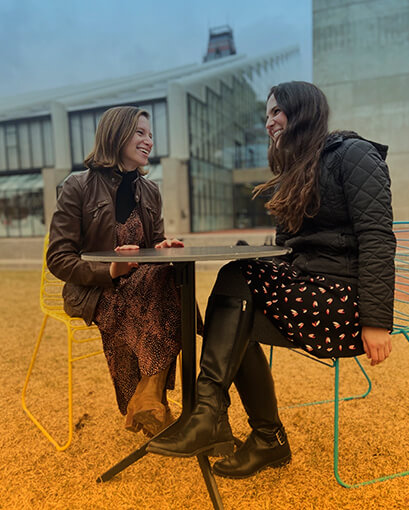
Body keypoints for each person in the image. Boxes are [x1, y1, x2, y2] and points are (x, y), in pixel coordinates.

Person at [146, 81, 396, 478]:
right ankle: (265, 439)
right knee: (232, 317)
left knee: (236, 282)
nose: (268, 123)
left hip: (344, 303)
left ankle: (211, 415)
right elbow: (289, 249)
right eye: (267, 115)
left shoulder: (355, 155)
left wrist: (377, 321)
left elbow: (378, 237)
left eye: (276, 112)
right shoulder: (296, 172)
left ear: (302, 111)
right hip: (308, 292)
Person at [47, 106, 184, 438]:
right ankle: (152, 401)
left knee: (170, 280)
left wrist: (161, 249)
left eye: (150, 134)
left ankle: (147, 398)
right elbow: (58, 258)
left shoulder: (150, 191)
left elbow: (151, 248)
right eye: (140, 133)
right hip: (97, 291)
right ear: (116, 134)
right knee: (174, 297)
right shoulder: (77, 186)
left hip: (146, 286)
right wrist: (110, 270)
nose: (148, 141)